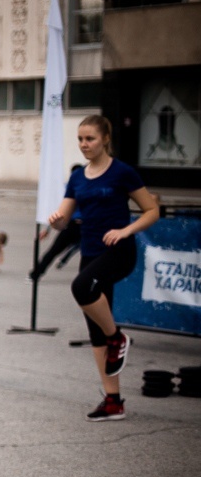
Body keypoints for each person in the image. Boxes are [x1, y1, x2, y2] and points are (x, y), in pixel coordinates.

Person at [48, 115, 160, 422]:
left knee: (80, 288)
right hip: (91, 253)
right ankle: (113, 401)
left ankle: (117, 338)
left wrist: (126, 231)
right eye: (80, 139)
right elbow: (65, 216)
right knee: (94, 330)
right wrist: (58, 221)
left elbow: (152, 210)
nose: (84, 144)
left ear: (106, 139)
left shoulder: (122, 172)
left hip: (119, 251)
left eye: (90, 139)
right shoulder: (77, 178)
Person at [30, 165, 84, 282]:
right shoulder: (68, 188)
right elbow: (58, 210)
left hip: (85, 225)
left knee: (87, 252)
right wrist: (47, 228)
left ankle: (85, 279)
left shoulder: (84, 186)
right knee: (54, 250)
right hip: (72, 225)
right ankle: (36, 274)